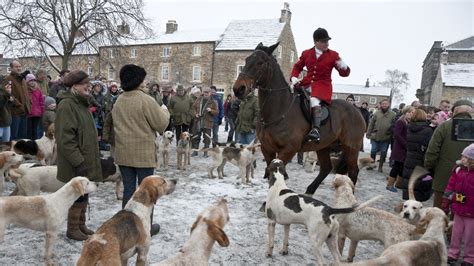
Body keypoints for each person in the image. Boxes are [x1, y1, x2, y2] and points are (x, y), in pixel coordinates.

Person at [112, 64, 169, 236]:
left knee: (129, 191)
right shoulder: (146, 100)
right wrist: (165, 112)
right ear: (138, 80)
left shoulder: (119, 100)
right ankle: (145, 227)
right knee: (147, 192)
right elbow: (161, 124)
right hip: (143, 154)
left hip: (123, 153)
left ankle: (127, 228)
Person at [55, 70, 102, 241]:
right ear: (74, 86)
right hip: (76, 161)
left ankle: (81, 225)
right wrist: (78, 161)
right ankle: (72, 228)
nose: (88, 86)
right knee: (77, 195)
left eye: (88, 83)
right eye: (84, 84)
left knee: (84, 192)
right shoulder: (67, 105)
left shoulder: (82, 103)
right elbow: (65, 139)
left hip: (85, 158)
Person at [290, 27, 350, 143]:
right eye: (323, 41)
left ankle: (316, 130)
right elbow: (297, 67)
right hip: (306, 83)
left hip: (323, 86)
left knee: (314, 100)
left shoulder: (333, 55)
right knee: (291, 95)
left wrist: (343, 66)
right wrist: (294, 78)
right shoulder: (306, 53)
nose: (326, 43)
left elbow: (344, 74)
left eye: (327, 41)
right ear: (316, 42)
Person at [425, 99, 473, 208]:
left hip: (444, 174)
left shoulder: (444, 126)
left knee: (439, 211)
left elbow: (432, 151)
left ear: (454, 112)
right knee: (463, 210)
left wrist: (430, 168)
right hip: (470, 179)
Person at [442, 144, 474, 265]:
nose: (462, 159)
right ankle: (452, 254)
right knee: (455, 233)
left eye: (465, 157)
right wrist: (447, 198)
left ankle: (469, 258)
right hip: (458, 209)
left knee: (470, 237)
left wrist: (463, 198)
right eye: (462, 156)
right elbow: (451, 185)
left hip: (471, 212)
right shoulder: (458, 170)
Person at [397, 109, 434, 201]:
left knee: (409, 179)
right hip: (420, 159)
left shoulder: (409, 127)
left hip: (409, 157)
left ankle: (408, 198)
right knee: (419, 180)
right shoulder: (428, 130)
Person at [386, 106, 414, 192]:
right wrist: (405, 144)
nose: (411, 114)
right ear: (405, 113)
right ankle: (390, 184)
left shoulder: (408, 122)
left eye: (412, 113)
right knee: (396, 167)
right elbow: (397, 135)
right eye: (409, 112)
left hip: (404, 149)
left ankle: (398, 183)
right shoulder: (400, 122)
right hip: (399, 148)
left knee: (402, 166)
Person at [367, 99, 397, 172]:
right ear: (381, 105)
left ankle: (380, 166)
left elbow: (394, 125)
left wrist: (391, 133)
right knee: (373, 151)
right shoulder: (377, 113)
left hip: (386, 137)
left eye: (386, 104)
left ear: (388, 104)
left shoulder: (393, 114)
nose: (384, 105)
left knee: (383, 152)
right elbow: (371, 123)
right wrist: (368, 132)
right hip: (375, 135)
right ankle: (372, 165)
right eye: (383, 104)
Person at [3, 60, 31, 140]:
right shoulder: (8, 79)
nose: (19, 68)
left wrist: (29, 104)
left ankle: (20, 152)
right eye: (16, 67)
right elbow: (8, 95)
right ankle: (12, 152)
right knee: (14, 136)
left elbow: (27, 94)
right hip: (15, 113)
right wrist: (18, 104)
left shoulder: (22, 80)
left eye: (19, 66)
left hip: (24, 111)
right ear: (11, 68)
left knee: (23, 136)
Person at [191, 87, 218, 157]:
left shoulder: (213, 101)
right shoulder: (198, 99)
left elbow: (217, 112)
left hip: (207, 122)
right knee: (196, 136)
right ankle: (195, 151)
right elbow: (193, 107)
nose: (206, 94)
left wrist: (211, 110)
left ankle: (206, 153)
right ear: (203, 93)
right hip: (198, 121)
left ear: (210, 93)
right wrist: (195, 114)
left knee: (207, 138)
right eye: (205, 92)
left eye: (207, 92)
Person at [25, 74, 44, 140]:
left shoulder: (38, 90)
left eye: (34, 80)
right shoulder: (25, 89)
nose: (32, 82)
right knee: (28, 130)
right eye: (30, 80)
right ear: (27, 81)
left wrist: (42, 111)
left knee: (35, 130)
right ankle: (29, 144)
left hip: (37, 113)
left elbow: (41, 101)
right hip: (28, 113)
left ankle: (35, 144)